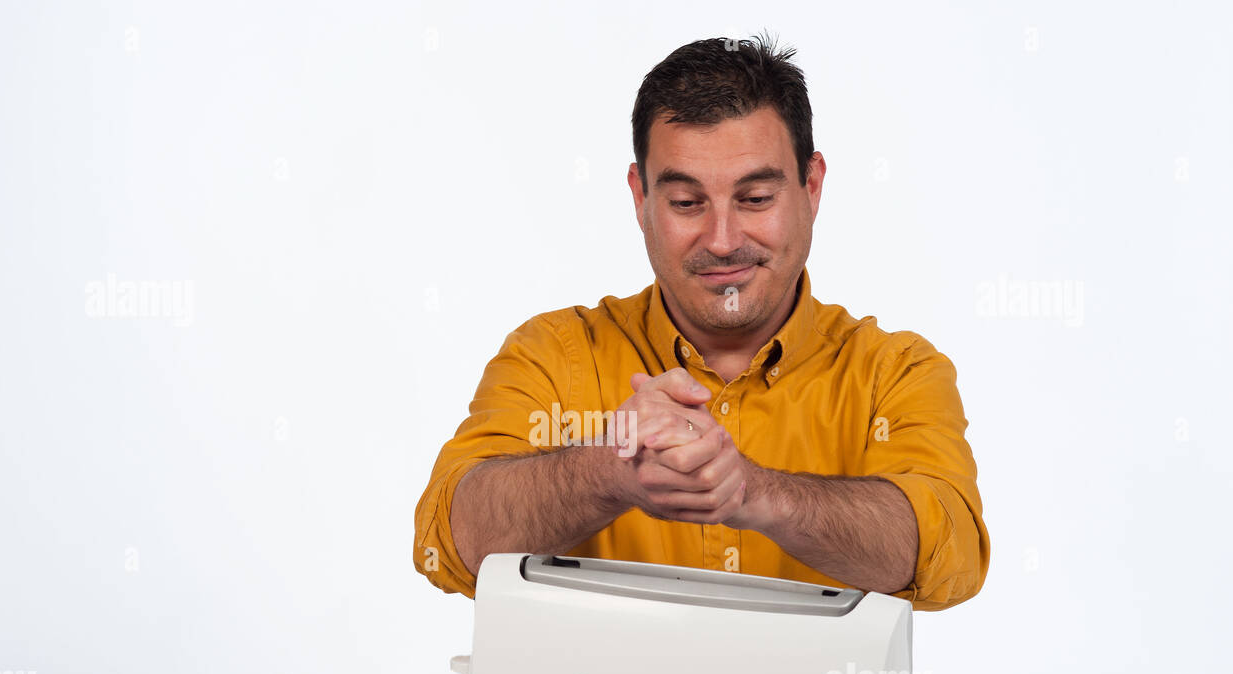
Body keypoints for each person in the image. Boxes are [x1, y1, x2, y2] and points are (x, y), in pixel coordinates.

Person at [414, 34, 989, 611]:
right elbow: (450, 539)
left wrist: (754, 492)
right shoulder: (553, 353)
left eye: (756, 198)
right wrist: (609, 468)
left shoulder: (895, 372)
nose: (723, 240)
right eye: (687, 203)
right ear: (640, 198)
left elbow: (948, 554)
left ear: (811, 188)